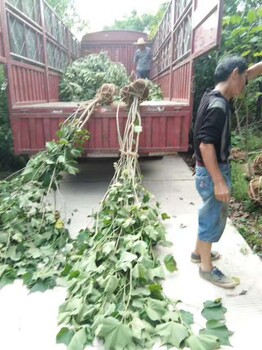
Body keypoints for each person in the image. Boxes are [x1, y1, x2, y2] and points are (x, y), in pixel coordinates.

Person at [192, 57, 262, 289]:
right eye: (243, 78)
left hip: (204, 172)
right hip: (212, 171)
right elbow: (206, 145)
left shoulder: (212, 95)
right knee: (212, 218)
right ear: (234, 75)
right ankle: (206, 268)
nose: (245, 83)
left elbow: (248, 74)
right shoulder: (219, 106)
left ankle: (197, 252)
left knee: (208, 213)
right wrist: (219, 181)